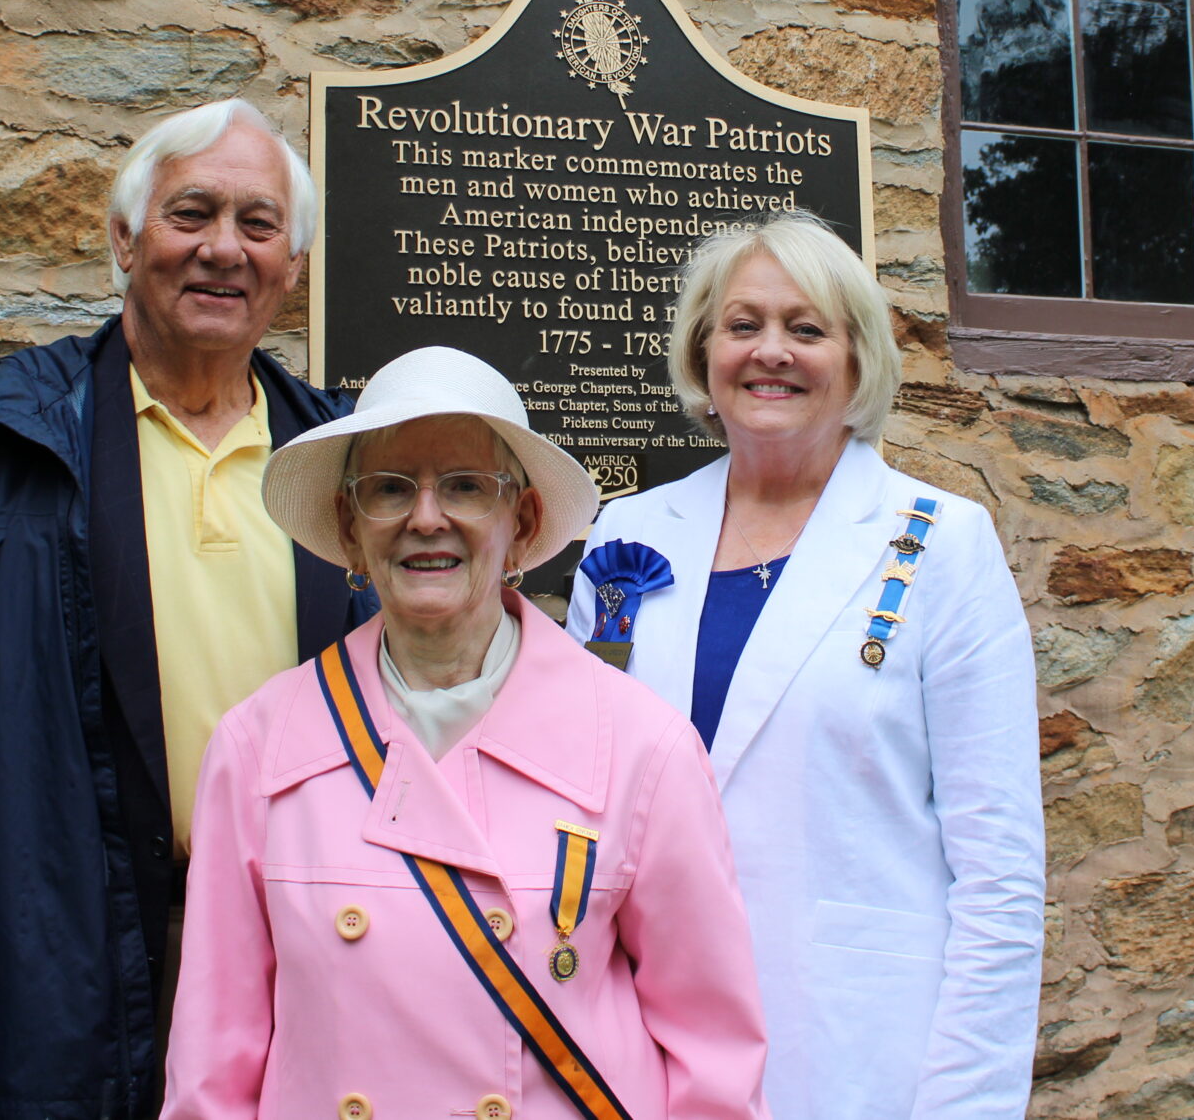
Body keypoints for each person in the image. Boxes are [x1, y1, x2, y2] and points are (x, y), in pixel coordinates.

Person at [0, 97, 370, 1120]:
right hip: (58, 978)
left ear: (292, 268)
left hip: (308, 968)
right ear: (123, 238)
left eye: (258, 226)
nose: (223, 249)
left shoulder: (347, 467)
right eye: (190, 212)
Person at [163, 346, 771, 1120]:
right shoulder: (256, 749)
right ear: (351, 530)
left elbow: (713, 1062)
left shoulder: (644, 748)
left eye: (464, 486)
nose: (426, 517)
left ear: (520, 524)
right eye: (389, 488)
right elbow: (211, 1076)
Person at [567, 211, 1044, 1120]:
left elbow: (1000, 873)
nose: (770, 351)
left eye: (807, 328)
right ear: (703, 352)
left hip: (853, 1052)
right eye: (743, 325)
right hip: (642, 1038)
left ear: (857, 361)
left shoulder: (944, 544)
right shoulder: (628, 534)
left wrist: (967, 1105)